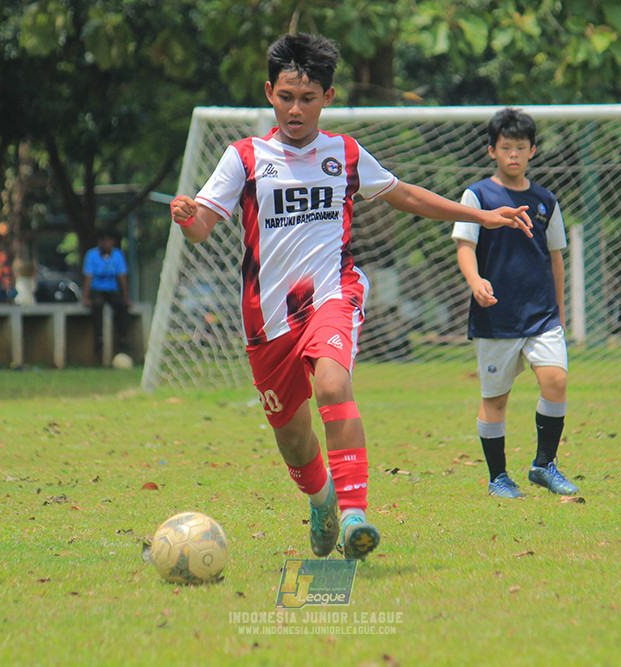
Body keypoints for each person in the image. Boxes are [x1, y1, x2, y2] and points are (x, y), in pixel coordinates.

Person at [169, 33, 533, 560]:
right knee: (294, 438)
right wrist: (186, 218)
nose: (296, 109)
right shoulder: (244, 158)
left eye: (308, 98)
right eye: (286, 97)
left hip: (332, 294)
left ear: (328, 98)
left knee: (334, 383)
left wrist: (479, 214)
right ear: (270, 93)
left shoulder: (345, 152)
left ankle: (354, 516)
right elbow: (203, 226)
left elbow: (404, 194)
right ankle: (321, 502)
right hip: (266, 320)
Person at [452, 107, 578, 500]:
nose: (513, 155)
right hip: (496, 317)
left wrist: (559, 310)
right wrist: (475, 281)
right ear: (491, 150)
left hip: (541, 314)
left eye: (520, 148)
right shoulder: (478, 195)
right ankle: (498, 477)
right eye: (505, 147)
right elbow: (465, 246)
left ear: (533, 151)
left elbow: (555, 256)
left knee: (555, 381)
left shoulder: (545, 201)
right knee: (495, 398)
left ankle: (544, 465)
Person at [82, 229, 131, 359]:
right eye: (104, 241)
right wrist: (86, 297)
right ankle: (98, 339)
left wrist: (126, 298)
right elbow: (88, 277)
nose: (106, 244)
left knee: (122, 306)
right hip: (97, 290)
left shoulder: (118, 255)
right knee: (97, 304)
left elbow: (122, 277)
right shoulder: (91, 255)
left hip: (111, 290)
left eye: (109, 241)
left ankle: (123, 339)